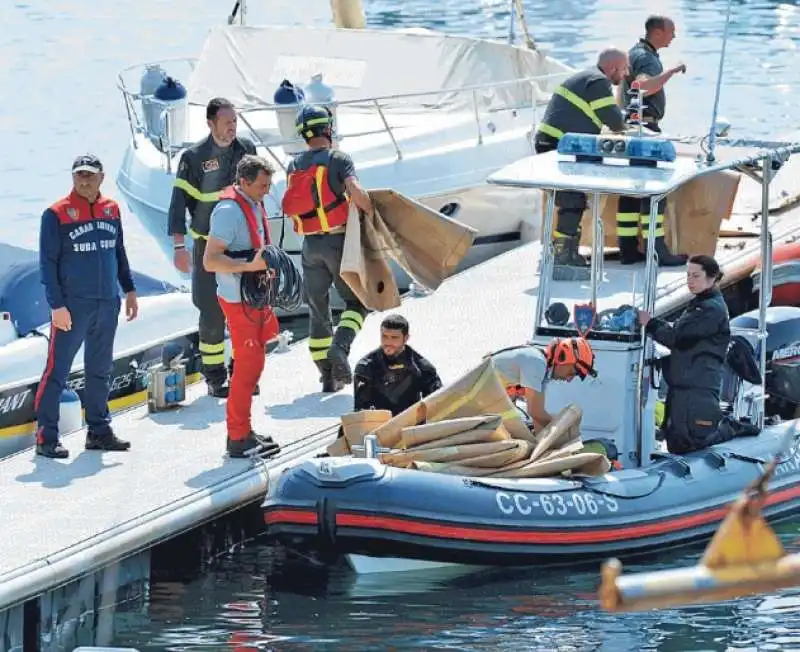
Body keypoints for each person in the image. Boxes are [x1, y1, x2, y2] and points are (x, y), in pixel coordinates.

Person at [35, 154, 138, 459]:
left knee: (100, 369)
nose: (84, 179)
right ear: (73, 177)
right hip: (72, 306)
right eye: (79, 174)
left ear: (101, 178)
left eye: (90, 175)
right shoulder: (56, 214)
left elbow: (118, 251)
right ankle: (46, 438)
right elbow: (47, 264)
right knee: (57, 371)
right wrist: (57, 306)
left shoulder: (111, 209)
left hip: (107, 303)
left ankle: (99, 431)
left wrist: (130, 289)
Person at [168, 97, 257, 398]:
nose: (233, 127)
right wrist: (179, 246)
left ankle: (244, 372)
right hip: (207, 246)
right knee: (211, 311)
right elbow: (178, 204)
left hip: (242, 245)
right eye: (227, 121)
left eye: (235, 121)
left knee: (247, 309)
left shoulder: (246, 150)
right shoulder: (193, 157)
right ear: (210, 123)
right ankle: (215, 377)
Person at [281, 104, 374, 392]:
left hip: (310, 246)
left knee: (317, 308)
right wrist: (371, 212)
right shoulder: (339, 159)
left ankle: (327, 376)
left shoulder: (294, 165)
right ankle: (340, 348)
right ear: (328, 128)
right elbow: (356, 193)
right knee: (358, 302)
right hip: (338, 242)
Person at [204, 155, 281, 458]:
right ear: (245, 182)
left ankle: (245, 430)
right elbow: (210, 260)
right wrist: (251, 265)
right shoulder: (227, 211)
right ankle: (237, 438)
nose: (267, 190)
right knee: (247, 369)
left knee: (254, 365)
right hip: (239, 302)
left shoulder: (251, 202)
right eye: (263, 185)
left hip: (254, 298)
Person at [534, 49, 629, 277]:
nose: (625, 75)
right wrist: (630, 123)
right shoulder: (598, 82)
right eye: (624, 69)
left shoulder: (586, 77)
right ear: (613, 67)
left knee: (572, 199)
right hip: (558, 145)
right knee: (572, 200)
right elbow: (614, 120)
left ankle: (566, 253)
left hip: (554, 143)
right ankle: (562, 257)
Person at [638, 255, 733, 454]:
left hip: (697, 390)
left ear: (712, 277)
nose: (690, 281)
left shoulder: (711, 309)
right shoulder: (700, 304)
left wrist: (651, 323)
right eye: (688, 275)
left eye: (696, 276)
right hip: (684, 389)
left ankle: (733, 428)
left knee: (690, 439)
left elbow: (677, 337)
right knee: (675, 437)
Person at [616, 15, 688, 266]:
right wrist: (673, 70)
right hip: (645, 128)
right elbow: (643, 87)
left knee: (629, 191)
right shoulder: (646, 57)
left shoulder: (634, 53)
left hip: (631, 126)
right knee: (653, 190)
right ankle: (656, 250)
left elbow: (623, 92)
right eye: (671, 31)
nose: (674, 36)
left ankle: (627, 248)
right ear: (657, 32)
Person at [489, 338, 597, 431]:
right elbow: (536, 412)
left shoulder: (543, 370)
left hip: (486, 401)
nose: (569, 379)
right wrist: (562, 431)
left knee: (523, 424)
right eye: (573, 372)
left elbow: (538, 418)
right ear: (562, 358)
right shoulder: (536, 361)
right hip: (478, 397)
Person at [353, 314, 442, 416]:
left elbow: (438, 404)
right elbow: (361, 411)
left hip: (413, 427)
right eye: (384, 336)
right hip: (378, 426)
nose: (388, 342)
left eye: (394, 337)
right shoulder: (366, 366)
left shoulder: (422, 367)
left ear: (406, 338)